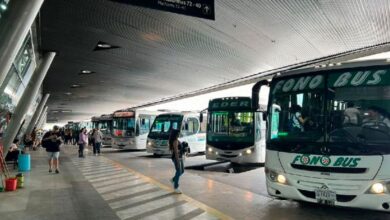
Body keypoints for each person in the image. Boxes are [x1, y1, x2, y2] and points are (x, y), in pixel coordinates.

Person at [169, 129, 184, 194]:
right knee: (178, 171)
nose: (179, 134)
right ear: (176, 134)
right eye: (178, 133)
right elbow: (175, 152)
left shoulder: (177, 140)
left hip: (180, 157)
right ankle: (176, 187)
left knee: (182, 171)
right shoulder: (175, 141)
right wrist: (177, 161)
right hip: (176, 158)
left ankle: (173, 179)